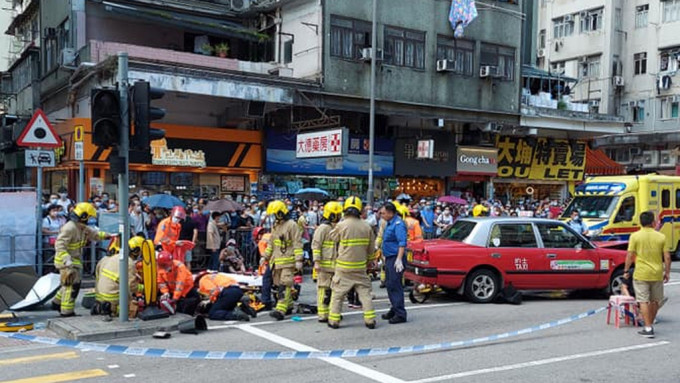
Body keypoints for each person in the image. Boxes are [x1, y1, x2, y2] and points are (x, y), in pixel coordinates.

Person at [52, 202, 111, 317]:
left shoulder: (81, 227)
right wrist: (66, 259)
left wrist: (108, 235)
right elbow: (59, 244)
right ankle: (66, 312)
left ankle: (56, 303)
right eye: (89, 217)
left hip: (74, 259)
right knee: (72, 285)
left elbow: (94, 234)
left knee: (66, 284)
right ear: (83, 216)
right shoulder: (70, 228)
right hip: (66, 261)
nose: (89, 220)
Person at [327, 196, 377, 329]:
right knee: (365, 294)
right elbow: (371, 248)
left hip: (343, 267)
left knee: (337, 294)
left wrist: (338, 223)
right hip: (360, 267)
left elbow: (332, 237)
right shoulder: (367, 226)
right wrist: (371, 261)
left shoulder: (342, 225)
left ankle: (333, 321)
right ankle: (370, 320)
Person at [624, 211, 671, 338]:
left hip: (641, 273)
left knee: (643, 300)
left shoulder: (635, 236)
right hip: (656, 273)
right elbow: (667, 256)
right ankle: (650, 322)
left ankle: (648, 327)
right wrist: (667, 272)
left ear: (641, 222)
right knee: (655, 300)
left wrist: (626, 270)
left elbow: (630, 255)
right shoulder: (661, 237)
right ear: (653, 222)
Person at [261, 200, 303, 320]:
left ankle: (281, 309)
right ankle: (289, 305)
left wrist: (299, 260)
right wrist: (265, 257)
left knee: (285, 284)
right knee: (279, 284)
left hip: (288, 260)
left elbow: (297, 243)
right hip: (277, 261)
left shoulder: (292, 225)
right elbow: (271, 244)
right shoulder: (276, 225)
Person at [92, 236, 144, 318]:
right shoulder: (129, 263)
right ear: (136, 251)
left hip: (102, 296)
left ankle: (102, 307)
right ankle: (115, 310)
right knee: (133, 306)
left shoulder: (116, 257)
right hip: (113, 297)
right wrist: (144, 288)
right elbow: (131, 286)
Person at [312, 201, 342, 322]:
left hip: (336, 265)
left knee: (335, 291)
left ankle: (332, 312)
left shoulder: (338, 228)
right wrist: (317, 262)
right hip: (324, 265)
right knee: (323, 289)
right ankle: (323, 314)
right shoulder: (323, 228)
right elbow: (316, 245)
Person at [381, 202, 408, 324]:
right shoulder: (389, 223)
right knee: (389, 284)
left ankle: (400, 314)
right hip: (389, 257)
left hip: (395, 258)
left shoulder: (398, 224)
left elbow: (402, 243)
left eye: (384, 213)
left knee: (395, 285)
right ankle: (394, 308)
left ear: (391, 213)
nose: (382, 215)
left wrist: (399, 259)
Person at [157, 251, 199, 315]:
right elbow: (161, 283)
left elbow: (180, 284)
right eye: (162, 265)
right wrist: (165, 292)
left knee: (194, 299)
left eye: (165, 265)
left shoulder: (180, 267)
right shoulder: (160, 268)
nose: (164, 267)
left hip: (186, 290)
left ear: (171, 262)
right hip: (173, 290)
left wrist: (174, 299)